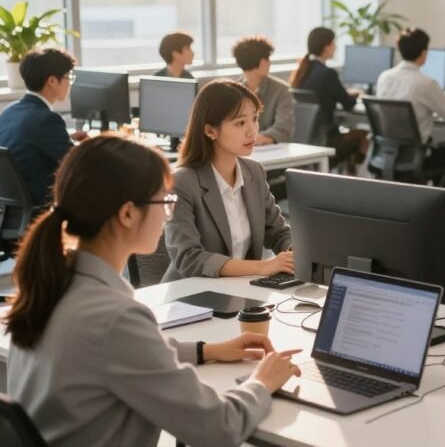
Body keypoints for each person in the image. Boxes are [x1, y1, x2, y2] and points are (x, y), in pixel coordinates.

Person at [3, 135, 300, 447]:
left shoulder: (52, 286)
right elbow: (218, 428)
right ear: (128, 213)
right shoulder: (115, 318)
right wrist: (261, 382)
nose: (167, 214)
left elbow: (118, 353)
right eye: (164, 201)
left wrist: (206, 350)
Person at [161, 80, 293, 281]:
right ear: (210, 131)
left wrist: (294, 253)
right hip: (191, 297)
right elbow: (188, 257)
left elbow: (277, 232)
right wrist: (263, 267)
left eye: (255, 119)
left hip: (241, 290)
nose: (252, 131)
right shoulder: (180, 183)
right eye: (240, 123)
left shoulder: (254, 172)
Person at [375, 28, 445, 187]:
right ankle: (436, 199)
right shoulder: (425, 83)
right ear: (424, 53)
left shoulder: (384, 77)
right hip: (416, 158)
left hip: (387, 154)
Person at [0, 47, 86, 206]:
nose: (70, 83)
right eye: (68, 77)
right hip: (41, 206)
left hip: (11, 211)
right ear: (52, 81)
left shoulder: (10, 111)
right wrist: (95, 144)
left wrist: (66, 137)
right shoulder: (46, 120)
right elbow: (78, 162)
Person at [290, 27, 369, 173]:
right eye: (334, 44)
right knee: (364, 136)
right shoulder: (328, 73)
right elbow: (348, 104)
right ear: (327, 47)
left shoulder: (302, 71)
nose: (335, 47)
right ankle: (356, 179)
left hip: (307, 138)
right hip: (326, 140)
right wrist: (354, 95)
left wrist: (342, 93)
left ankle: (344, 177)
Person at [232, 35, 294, 145]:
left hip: (270, 151)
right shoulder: (232, 91)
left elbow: (283, 130)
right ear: (261, 62)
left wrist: (257, 139)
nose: (270, 63)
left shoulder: (281, 91)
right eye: (267, 59)